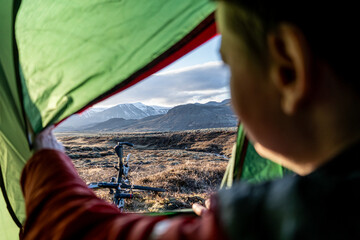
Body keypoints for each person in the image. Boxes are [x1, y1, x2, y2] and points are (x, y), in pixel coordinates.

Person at [21, 0, 360, 239]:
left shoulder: (301, 220)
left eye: (228, 64)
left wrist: (47, 160)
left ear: (287, 68)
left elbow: (72, 233)